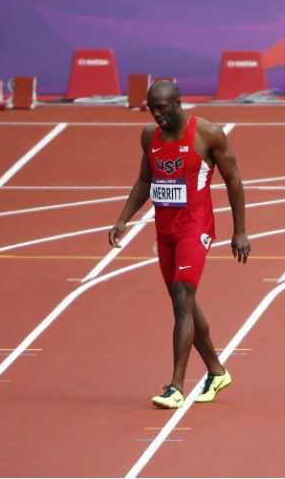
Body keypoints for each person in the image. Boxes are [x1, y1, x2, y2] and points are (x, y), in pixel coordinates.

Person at [108, 80, 250, 408]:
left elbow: (234, 179)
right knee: (180, 300)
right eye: (151, 110)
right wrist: (123, 219)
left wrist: (240, 231)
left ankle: (175, 386)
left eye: (162, 109)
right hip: (165, 230)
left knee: (184, 295)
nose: (157, 116)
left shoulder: (208, 134)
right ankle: (217, 371)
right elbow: (146, 180)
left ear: (178, 103)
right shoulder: (149, 137)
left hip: (196, 227)